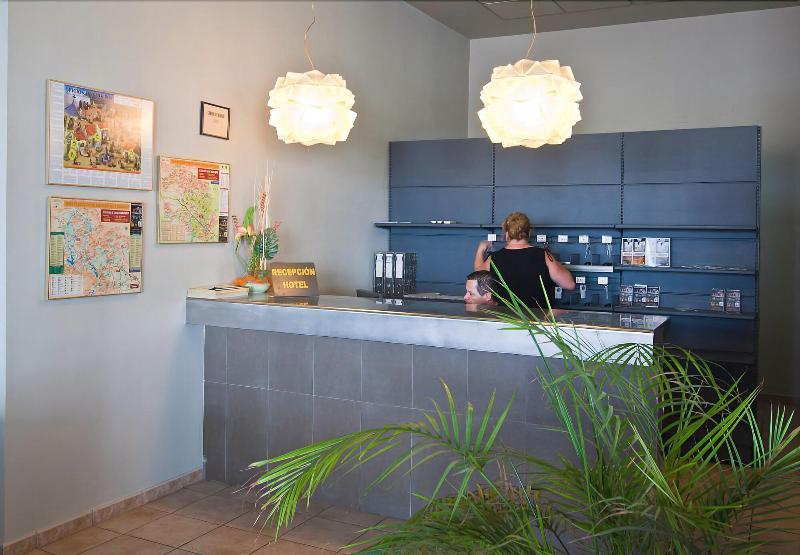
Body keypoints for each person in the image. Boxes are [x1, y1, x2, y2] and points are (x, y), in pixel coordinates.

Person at [473, 212, 575, 310]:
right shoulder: (543, 255)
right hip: (539, 319)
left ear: (507, 234)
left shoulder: (494, 258)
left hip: (506, 318)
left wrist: (481, 249)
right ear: (528, 233)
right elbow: (569, 284)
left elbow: (476, 277)